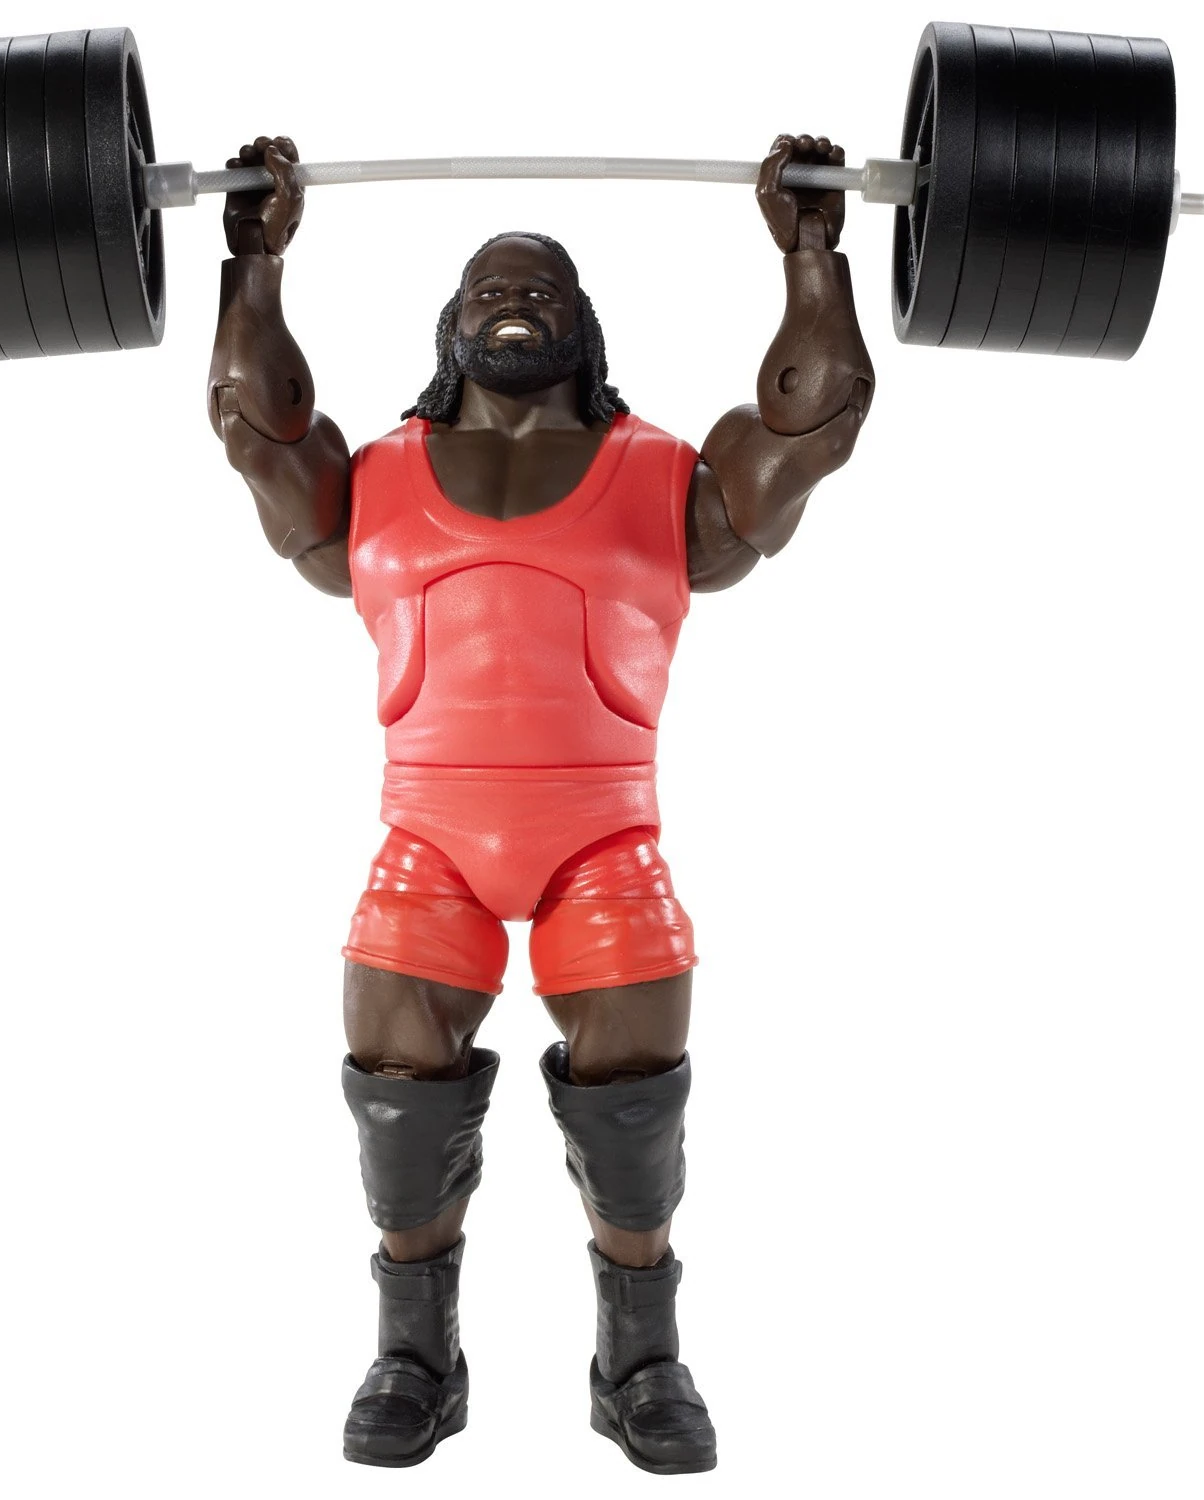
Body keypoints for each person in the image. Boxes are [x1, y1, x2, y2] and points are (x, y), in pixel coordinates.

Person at [207, 132, 874, 1475]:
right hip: (429, 844)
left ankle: (640, 1367)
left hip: (603, 843)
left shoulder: (666, 480)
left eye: (541, 288)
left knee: (636, 1117)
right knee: (398, 1108)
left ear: (584, 325)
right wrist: (256, 267)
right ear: (449, 330)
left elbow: (814, 422)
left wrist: (812, 256)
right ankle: (417, 1361)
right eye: (486, 290)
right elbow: (250, 424)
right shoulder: (372, 483)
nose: (512, 299)